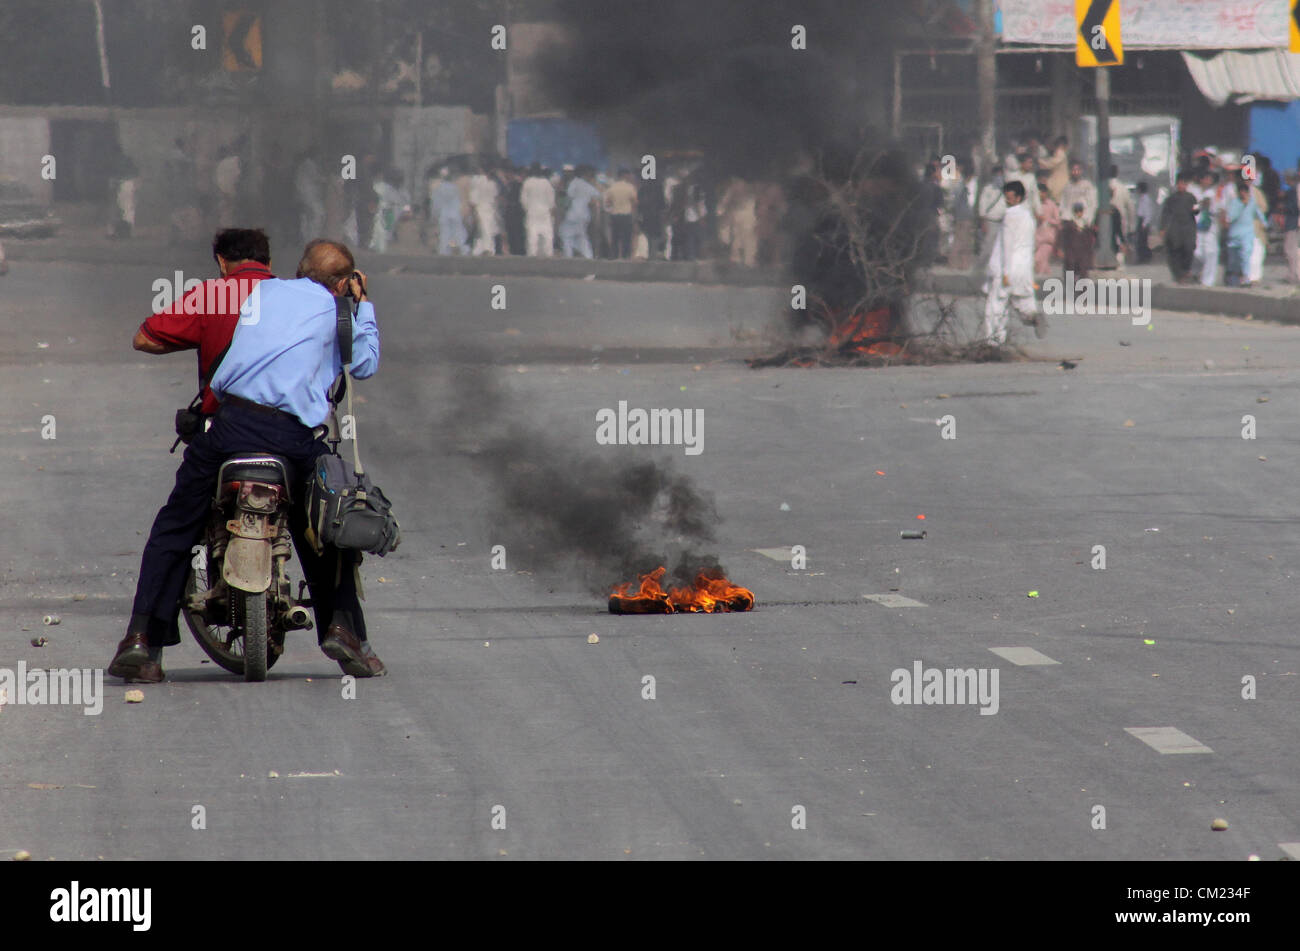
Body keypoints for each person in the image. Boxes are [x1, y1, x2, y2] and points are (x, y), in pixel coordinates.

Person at [107, 240, 385, 684]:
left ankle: (141, 642)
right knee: (325, 528)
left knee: (175, 526)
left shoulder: (266, 294)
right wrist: (363, 305)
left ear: (298, 269)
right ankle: (341, 628)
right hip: (291, 437)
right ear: (344, 283)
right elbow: (365, 365)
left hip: (230, 426)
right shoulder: (339, 313)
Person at [980, 179, 1042, 344]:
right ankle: (1031, 315)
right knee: (1021, 300)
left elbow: (1007, 247)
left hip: (1005, 269)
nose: (1007, 201)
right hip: (1023, 268)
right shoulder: (1028, 216)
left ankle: (993, 341)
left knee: (995, 308)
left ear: (1018, 197)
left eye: (1010, 198)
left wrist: (1006, 272)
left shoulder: (1010, 216)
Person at [1225, 179, 1266, 288]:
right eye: (1241, 191)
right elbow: (1231, 217)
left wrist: (1264, 223)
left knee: (1246, 254)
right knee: (1234, 258)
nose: (1243, 194)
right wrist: (1242, 206)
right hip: (1234, 234)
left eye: (1245, 191)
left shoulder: (1252, 202)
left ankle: (1246, 278)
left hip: (1247, 233)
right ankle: (1233, 277)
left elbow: (1258, 213)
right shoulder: (1234, 203)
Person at [1159, 174, 1198, 283]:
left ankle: (1186, 271)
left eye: (1184, 184)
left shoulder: (1191, 198)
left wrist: (1198, 208)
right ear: (1177, 185)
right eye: (1179, 184)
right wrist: (1162, 228)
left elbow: (1197, 211)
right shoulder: (1171, 199)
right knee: (1176, 250)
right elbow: (1165, 213)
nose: (1181, 186)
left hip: (1188, 227)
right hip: (1175, 228)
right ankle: (1179, 274)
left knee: (1188, 249)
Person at [560, 165, 602, 259]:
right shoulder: (588, 186)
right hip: (584, 216)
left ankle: (568, 258)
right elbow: (597, 197)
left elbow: (568, 198)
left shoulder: (574, 183)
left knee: (566, 237)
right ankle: (589, 257)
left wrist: (564, 210)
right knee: (581, 238)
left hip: (573, 214)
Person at [430, 168, 468, 255]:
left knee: (444, 234)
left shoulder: (438, 189)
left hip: (444, 215)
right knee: (459, 233)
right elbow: (458, 202)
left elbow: (436, 204)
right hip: (455, 214)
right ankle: (463, 250)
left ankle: (444, 251)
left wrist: (434, 215)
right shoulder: (455, 188)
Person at [520, 164, 556, 257]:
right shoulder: (546, 183)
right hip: (545, 211)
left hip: (532, 211)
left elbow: (523, 199)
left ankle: (532, 254)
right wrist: (550, 210)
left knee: (532, 233)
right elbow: (551, 199)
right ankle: (548, 253)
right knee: (547, 233)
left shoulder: (527, 182)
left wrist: (527, 209)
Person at [604, 167, 639, 259]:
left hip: (614, 215)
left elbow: (607, 202)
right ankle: (625, 256)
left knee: (615, 237)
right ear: (625, 175)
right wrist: (634, 215)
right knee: (626, 237)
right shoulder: (630, 187)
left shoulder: (612, 187)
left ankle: (614, 255)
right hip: (626, 215)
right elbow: (635, 202)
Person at [1056, 202, 1096, 280]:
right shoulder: (1068, 225)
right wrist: (1060, 249)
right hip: (1071, 252)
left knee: (1083, 273)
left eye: (1080, 211)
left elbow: (1089, 240)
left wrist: (1090, 254)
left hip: (1083, 253)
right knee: (1070, 271)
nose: (1078, 213)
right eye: (1077, 211)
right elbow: (1062, 237)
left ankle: (1083, 290)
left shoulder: (1086, 225)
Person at [469, 164, 500, 256]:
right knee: (488, 228)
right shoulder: (492, 183)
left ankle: (483, 249)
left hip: (481, 207)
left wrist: (473, 209)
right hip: (489, 208)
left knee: (482, 229)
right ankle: (488, 248)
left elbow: (473, 198)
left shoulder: (477, 180)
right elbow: (495, 197)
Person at [1034, 182, 1060, 276]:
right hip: (1037, 238)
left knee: (1038, 260)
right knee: (1040, 263)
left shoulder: (1052, 205)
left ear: (1046, 193)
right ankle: (1048, 280)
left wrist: (1048, 219)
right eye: (1039, 193)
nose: (1041, 195)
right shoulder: (1034, 205)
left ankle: (1041, 282)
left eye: (1043, 192)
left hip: (1048, 238)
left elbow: (1058, 221)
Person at [1059, 161, 1098, 226]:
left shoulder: (1087, 185)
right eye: (1073, 170)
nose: (1075, 172)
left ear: (1081, 171)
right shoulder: (1067, 186)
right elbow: (1063, 203)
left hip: (1083, 219)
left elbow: (1093, 204)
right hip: (1069, 219)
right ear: (1070, 171)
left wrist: (1088, 219)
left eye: (1077, 170)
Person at [1038, 136, 1070, 201]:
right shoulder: (1058, 153)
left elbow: (1050, 165)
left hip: (1059, 182)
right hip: (1056, 180)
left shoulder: (1060, 152)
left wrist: (1039, 161)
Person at [1282, 170, 1300, 284]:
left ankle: (1294, 275)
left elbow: (1294, 207)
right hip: (1295, 223)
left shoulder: (1292, 191)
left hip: (1293, 223)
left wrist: (1284, 207)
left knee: (1290, 250)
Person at [1134, 181, 1155, 264]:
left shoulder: (1145, 199)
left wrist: (1144, 224)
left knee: (1142, 241)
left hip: (1143, 221)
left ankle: (1144, 257)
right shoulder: (1142, 198)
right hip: (1141, 220)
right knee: (1141, 240)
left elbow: (1148, 213)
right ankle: (1143, 257)